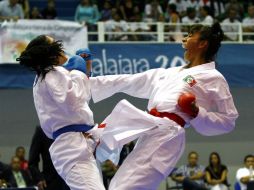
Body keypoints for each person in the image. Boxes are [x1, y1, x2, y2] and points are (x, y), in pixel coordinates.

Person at [90, 22, 238, 190]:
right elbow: (128, 80)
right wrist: (86, 83)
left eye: (190, 36)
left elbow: (228, 121)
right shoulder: (169, 73)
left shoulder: (213, 77)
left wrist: (197, 113)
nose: (184, 39)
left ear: (202, 44)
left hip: (168, 135)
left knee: (126, 187)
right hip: (150, 129)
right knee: (117, 185)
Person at [16, 35, 105, 190]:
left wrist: (86, 71)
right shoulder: (52, 73)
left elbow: (79, 107)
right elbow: (76, 100)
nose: (62, 47)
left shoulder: (47, 76)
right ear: (50, 53)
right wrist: (79, 72)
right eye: (56, 44)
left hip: (76, 144)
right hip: (72, 147)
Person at [29, 126, 70, 190]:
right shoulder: (42, 131)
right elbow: (32, 162)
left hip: (72, 181)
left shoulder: (73, 129)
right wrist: (39, 178)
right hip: (50, 182)